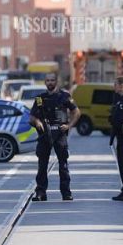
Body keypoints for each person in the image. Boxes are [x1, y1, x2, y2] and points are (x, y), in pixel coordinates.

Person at [29, 72, 80, 201]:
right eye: (48, 80)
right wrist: (37, 122)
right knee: (42, 165)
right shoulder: (40, 98)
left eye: (52, 80)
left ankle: (66, 192)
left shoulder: (65, 96)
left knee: (63, 165)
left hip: (59, 133)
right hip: (45, 134)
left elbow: (77, 112)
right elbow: (32, 117)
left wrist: (69, 125)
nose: (50, 82)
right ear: (45, 82)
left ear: (56, 81)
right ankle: (40, 192)